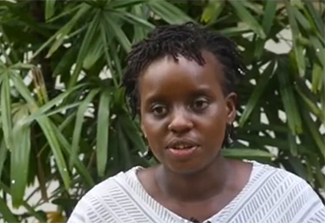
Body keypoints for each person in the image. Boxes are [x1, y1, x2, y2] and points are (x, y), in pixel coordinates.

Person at [67, 22, 325, 223]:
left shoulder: (289, 203)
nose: (178, 123)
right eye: (158, 109)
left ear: (229, 108)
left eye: (199, 104)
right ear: (141, 121)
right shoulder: (104, 211)